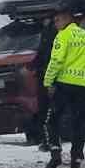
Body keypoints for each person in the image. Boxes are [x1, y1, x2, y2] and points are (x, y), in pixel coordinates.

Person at [43, 11, 85, 168]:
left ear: (66, 20)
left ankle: (55, 153)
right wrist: (84, 71)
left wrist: (48, 81)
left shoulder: (63, 36)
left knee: (52, 121)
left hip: (63, 86)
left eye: (57, 20)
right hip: (83, 87)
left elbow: (56, 60)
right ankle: (76, 160)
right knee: (79, 124)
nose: (55, 24)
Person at [31, 19, 58, 150]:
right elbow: (43, 52)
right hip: (46, 75)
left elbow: (49, 55)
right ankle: (48, 140)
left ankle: (50, 141)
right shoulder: (48, 32)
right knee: (47, 109)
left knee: (48, 110)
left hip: (50, 76)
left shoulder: (53, 32)